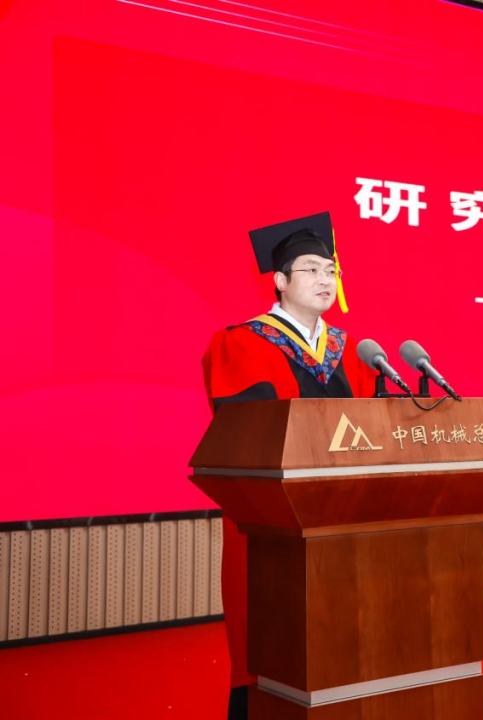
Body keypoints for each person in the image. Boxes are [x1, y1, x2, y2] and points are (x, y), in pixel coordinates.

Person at [201, 212, 377, 719]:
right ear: (280, 281)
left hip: (344, 519)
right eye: (311, 270)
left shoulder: (353, 352)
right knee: (272, 639)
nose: (326, 279)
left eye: (331, 270)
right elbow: (249, 438)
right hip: (269, 523)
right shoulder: (240, 343)